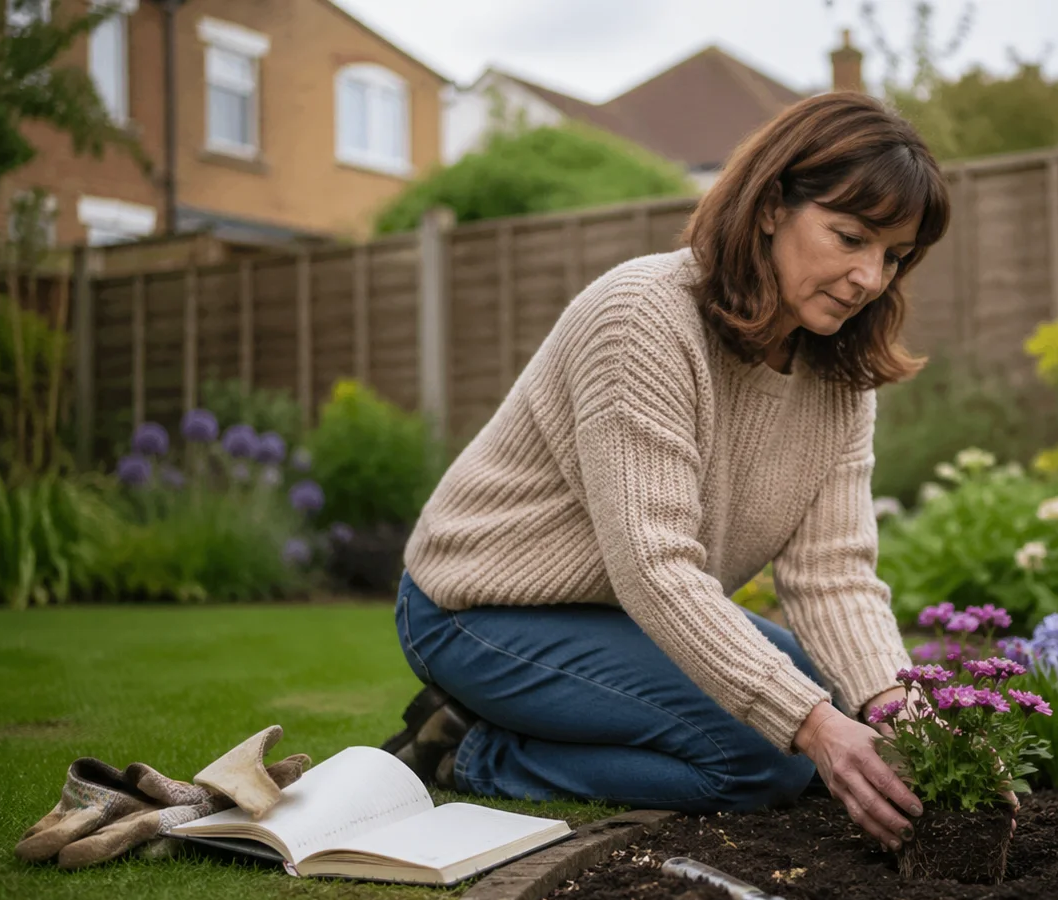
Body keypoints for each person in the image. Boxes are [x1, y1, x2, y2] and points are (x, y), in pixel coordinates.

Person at [382, 91, 952, 854]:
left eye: (892, 255)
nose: (868, 278)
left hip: (613, 603)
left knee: (830, 693)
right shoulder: (643, 318)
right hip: (477, 605)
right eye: (850, 237)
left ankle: (525, 717)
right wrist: (814, 727)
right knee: (761, 758)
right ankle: (469, 748)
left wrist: (896, 711)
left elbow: (833, 574)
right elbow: (654, 565)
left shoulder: (839, 377)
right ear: (772, 206)